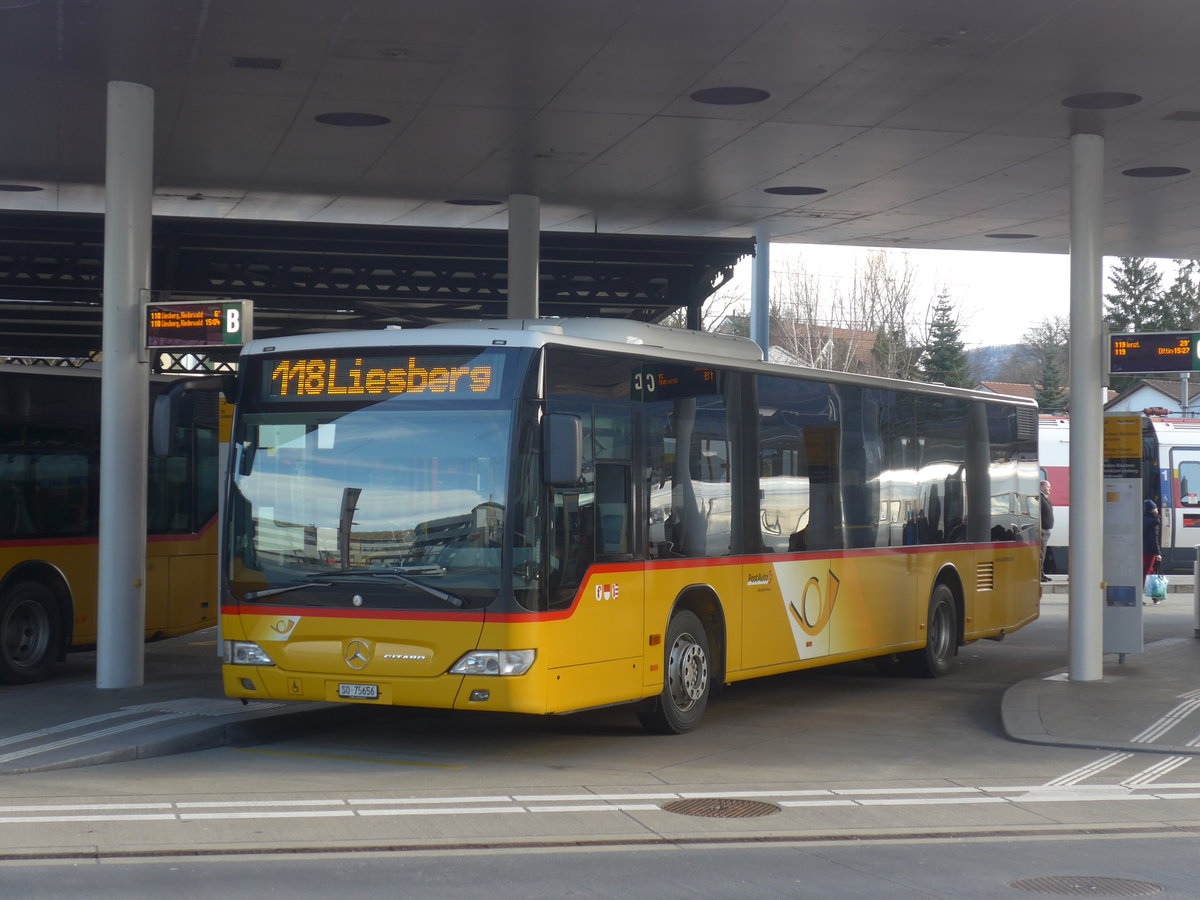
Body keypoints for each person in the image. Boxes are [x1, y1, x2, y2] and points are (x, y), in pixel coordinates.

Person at [1143, 499, 1163, 604]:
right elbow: (1154, 538)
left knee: (1148, 572)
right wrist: (1157, 553)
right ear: (1152, 510)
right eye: (1155, 508)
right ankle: (1155, 596)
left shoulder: (1141, 519)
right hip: (1149, 552)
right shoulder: (1154, 520)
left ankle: (1156, 596)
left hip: (1141, 550)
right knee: (1148, 573)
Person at [1038, 480, 1054, 582]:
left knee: (1042, 554)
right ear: (1042, 486)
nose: (1050, 488)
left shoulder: (1044, 498)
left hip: (1046, 530)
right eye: (1048, 486)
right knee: (1040, 554)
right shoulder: (1039, 498)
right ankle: (1039, 574)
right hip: (1042, 530)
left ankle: (1042, 573)